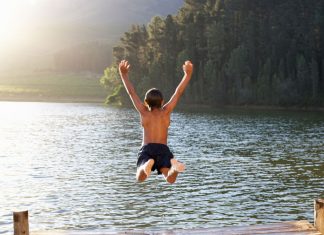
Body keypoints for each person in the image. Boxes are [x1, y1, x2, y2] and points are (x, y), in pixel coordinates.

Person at [118, 60, 193, 184]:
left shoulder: (144, 112)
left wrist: (123, 74)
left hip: (147, 149)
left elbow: (131, 93)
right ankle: (174, 168)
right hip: (163, 149)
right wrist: (187, 74)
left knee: (140, 177)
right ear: (162, 101)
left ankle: (146, 164)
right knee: (170, 178)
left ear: (146, 102)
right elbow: (178, 92)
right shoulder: (166, 112)